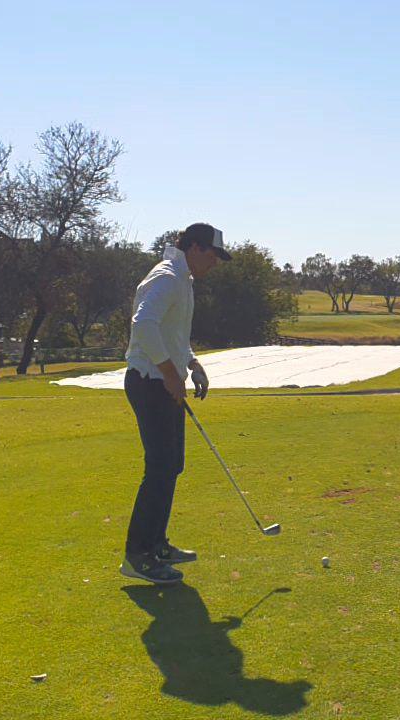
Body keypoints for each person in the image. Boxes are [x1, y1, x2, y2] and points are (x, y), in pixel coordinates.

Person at [120, 222, 230, 584]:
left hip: (163, 380)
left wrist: (191, 363)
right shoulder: (167, 277)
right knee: (160, 467)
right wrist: (170, 373)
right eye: (213, 256)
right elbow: (144, 325)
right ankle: (138, 557)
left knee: (172, 466)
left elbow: (172, 333)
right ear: (195, 248)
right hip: (150, 382)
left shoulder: (183, 280)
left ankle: (157, 545)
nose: (215, 264)